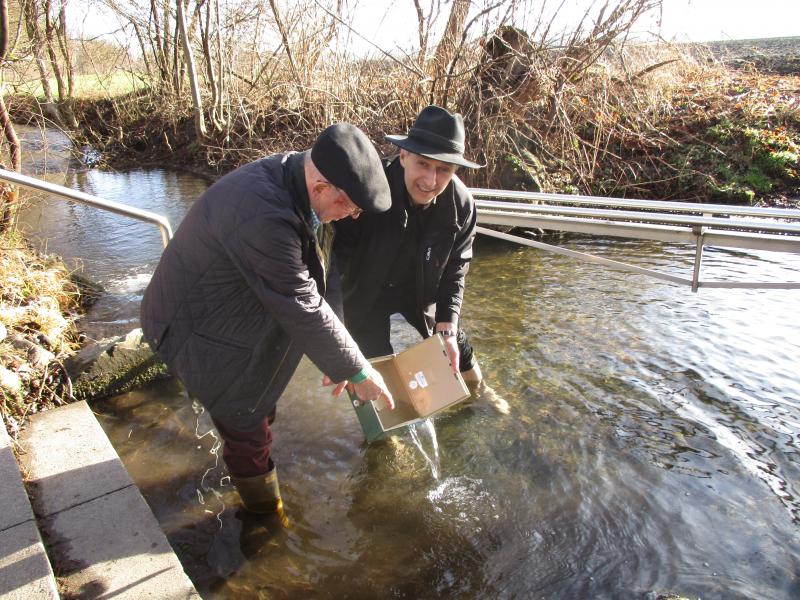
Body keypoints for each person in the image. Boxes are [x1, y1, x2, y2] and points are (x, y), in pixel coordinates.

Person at [140, 123, 395, 522]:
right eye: (350, 206)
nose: (351, 216)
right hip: (191, 325)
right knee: (245, 421)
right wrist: (359, 370)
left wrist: (343, 355)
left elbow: (325, 281)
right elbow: (301, 302)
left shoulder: (300, 184)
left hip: (227, 307)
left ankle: (255, 453)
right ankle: (265, 518)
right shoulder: (262, 212)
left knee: (258, 403)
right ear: (323, 188)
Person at [334, 105, 495, 401]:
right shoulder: (366, 189)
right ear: (404, 156)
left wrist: (447, 325)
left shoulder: (462, 205)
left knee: (452, 342)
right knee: (370, 375)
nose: (431, 181)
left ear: (455, 170)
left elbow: (457, 268)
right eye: (423, 164)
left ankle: (483, 397)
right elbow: (334, 262)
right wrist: (335, 339)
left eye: (444, 169)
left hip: (421, 288)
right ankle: (388, 440)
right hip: (365, 293)